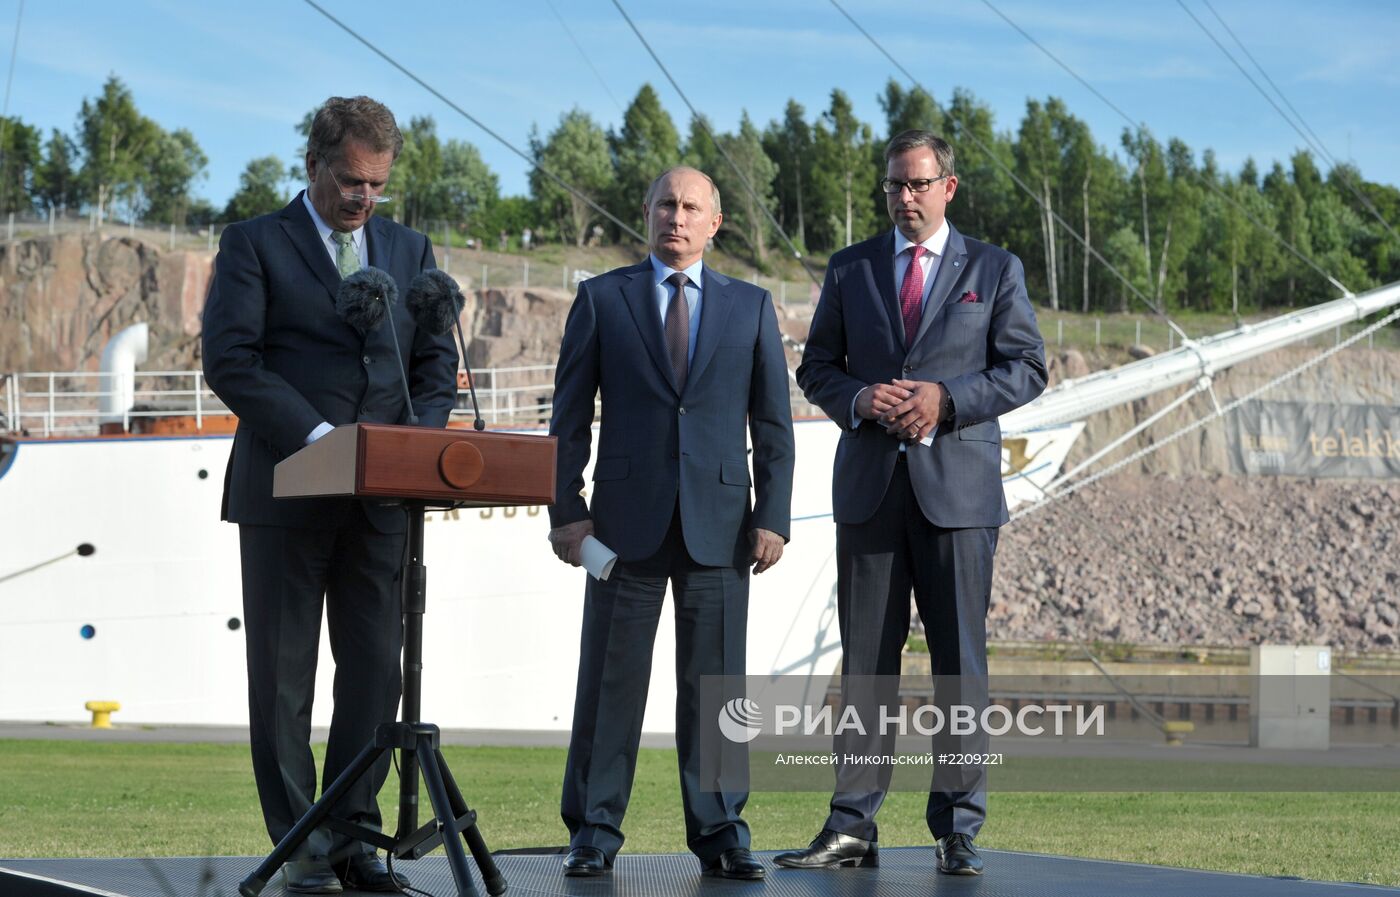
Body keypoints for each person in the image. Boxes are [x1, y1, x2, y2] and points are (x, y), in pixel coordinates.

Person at [202, 96, 457, 895]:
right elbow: (232, 361)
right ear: (313, 164)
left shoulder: (412, 251)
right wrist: (319, 440)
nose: (364, 199)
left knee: (377, 672)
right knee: (283, 678)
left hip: (383, 500)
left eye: (378, 185)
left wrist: (417, 443)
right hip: (288, 489)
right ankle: (302, 845)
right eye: (351, 181)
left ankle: (352, 840)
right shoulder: (254, 244)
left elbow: (435, 364)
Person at [780, 130, 1046, 877]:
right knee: (866, 664)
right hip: (870, 492)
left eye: (919, 184)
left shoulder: (995, 269)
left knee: (960, 665)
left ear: (948, 187)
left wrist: (947, 397)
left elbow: (1027, 368)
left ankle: (957, 828)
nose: (905, 197)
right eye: (894, 185)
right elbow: (818, 368)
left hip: (958, 496)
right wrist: (862, 397)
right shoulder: (851, 268)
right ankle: (851, 824)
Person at [547, 166, 795, 881]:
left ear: (715, 223)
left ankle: (721, 832)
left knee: (717, 689)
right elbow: (567, 421)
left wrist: (773, 514)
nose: (676, 217)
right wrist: (567, 511)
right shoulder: (600, 299)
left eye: (691, 207)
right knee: (608, 684)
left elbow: (772, 423)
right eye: (665, 204)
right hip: (622, 528)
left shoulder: (751, 306)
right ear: (646, 213)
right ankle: (592, 831)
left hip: (722, 527)